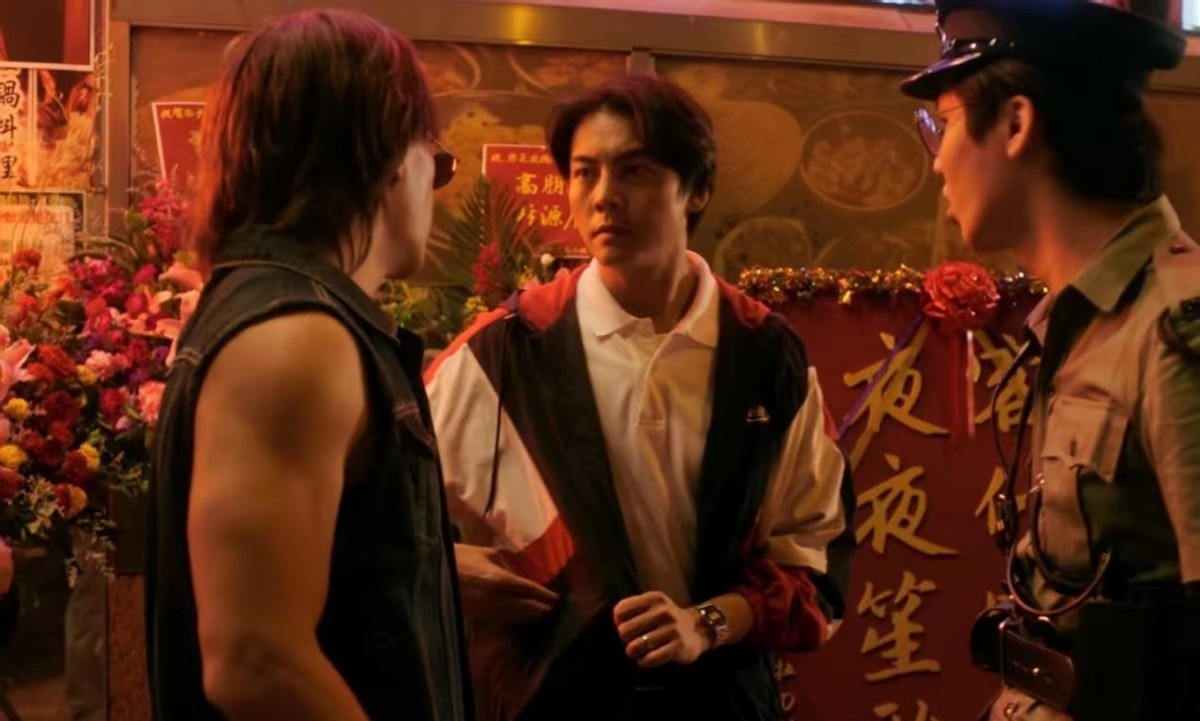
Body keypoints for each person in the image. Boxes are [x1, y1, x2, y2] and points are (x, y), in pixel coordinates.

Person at [424, 74, 855, 721]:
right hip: (545, 702)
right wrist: (445, 566)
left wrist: (707, 622)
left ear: (697, 189)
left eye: (635, 171)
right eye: (584, 173)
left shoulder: (761, 354)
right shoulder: (505, 351)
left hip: (719, 706)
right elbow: (374, 525)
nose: (604, 196)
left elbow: (818, 555)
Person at [145, 9, 471, 721]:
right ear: (390, 154)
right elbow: (256, 662)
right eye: (438, 161)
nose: (434, 189)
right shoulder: (296, 337)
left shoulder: (284, 317)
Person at [901, 1, 1200, 719]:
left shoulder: (1173, 326)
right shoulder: (1085, 320)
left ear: (1015, 124)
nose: (937, 160)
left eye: (944, 124)